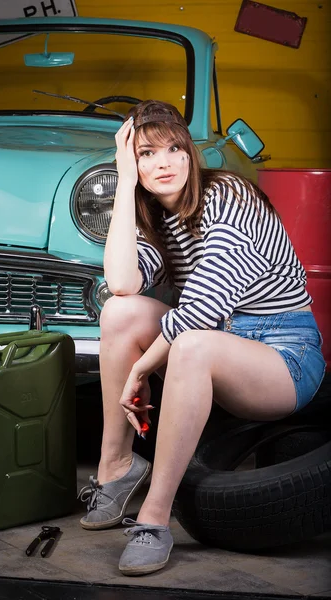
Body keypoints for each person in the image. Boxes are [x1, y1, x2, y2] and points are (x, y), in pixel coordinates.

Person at [78, 100, 326, 576]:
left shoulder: (229, 196)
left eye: (175, 148)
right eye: (147, 154)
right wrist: (124, 187)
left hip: (283, 355)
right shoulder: (156, 215)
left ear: (191, 155)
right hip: (214, 345)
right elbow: (124, 283)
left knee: (191, 341)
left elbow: (200, 312)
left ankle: (154, 520)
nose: (164, 162)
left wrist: (140, 369)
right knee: (120, 313)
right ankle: (116, 469)